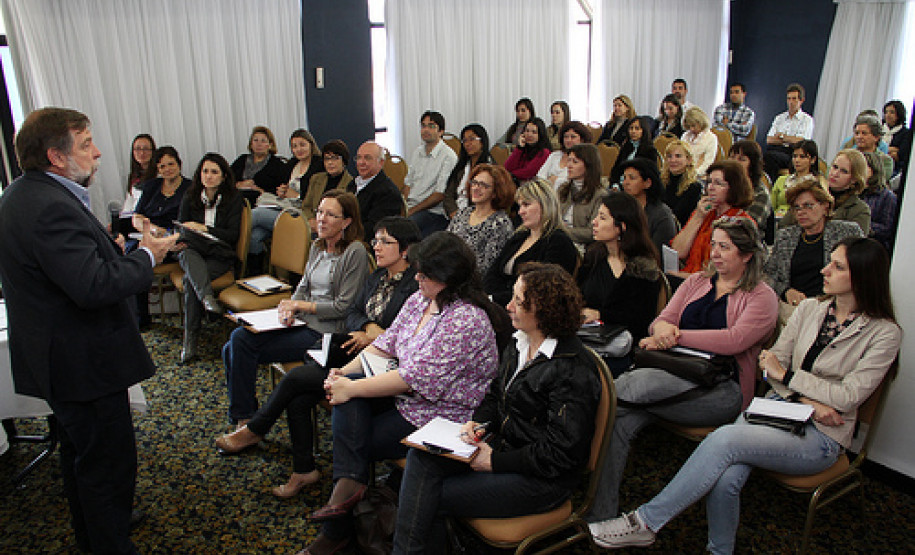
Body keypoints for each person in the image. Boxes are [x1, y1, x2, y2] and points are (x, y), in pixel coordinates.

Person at [588, 238, 900, 554]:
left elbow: (847, 397)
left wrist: (788, 377)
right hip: (781, 409)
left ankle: (645, 523)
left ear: (862, 276)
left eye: (838, 266)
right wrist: (805, 398)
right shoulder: (810, 309)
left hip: (824, 434)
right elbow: (769, 362)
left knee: (724, 441)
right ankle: (721, 549)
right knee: (725, 477)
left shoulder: (884, 333)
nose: (824, 269)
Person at [0, 107, 178, 554]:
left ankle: (95, 534)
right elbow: (94, 286)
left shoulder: (22, 195)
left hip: (59, 358)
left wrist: (109, 250)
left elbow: (67, 271)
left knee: (81, 458)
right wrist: (148, 257)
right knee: (107, 465)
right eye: (86, 144)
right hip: (84, 363)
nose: (98, 153)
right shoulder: (50, 208)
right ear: (56, 156)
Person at [298, 231, 505, 555]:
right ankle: (348, 491)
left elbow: (412, 378)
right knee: (347, 403)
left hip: (444, 417)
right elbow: (383, 346)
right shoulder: (421, 299)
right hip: (409, 401)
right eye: (418, 270)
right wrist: (345, 372)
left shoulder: (466, 318)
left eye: (426, 273)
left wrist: (350, 387)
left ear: (450, 277)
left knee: (353, 427)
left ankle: (339, 521)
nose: (417, 277)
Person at [392, 262, 602, 553]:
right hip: (505, 448)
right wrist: (476, 423)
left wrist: (495, 463)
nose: (509, 306)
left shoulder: (572, 370)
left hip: (542, 479)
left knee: (429, 496)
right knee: (421, 458)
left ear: (542, 310)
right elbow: (494, 394)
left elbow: (560, 454)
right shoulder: (519, 342)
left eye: (518, 300)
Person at [586, 217, 777, 528]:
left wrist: (675, 336)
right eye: (713, 244)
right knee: (619, 415)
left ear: (747, 255)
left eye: (724, 247)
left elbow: (734, 340)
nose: (714, 253)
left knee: (622, 395)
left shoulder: (762, 296)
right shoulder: (696, 282)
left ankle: (591, 401)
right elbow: (660, 320)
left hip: (719, 388)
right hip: (671, 375)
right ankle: (600, 514)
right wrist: (663, 329)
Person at [214, 217, 422, 497]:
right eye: (376, 240)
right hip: (352, 353)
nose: (377, 247)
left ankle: (256, 427)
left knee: (297, 378)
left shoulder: (415, 286)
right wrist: (365, 328)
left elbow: (406, 334)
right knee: (298, 398)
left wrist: (377, 334)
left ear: (406, 250)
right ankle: (303, 470)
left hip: (383, 370)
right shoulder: (377, 277)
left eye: (386, 242)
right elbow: (352, 313)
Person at [221, 190, 372, 425]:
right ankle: (245, 416)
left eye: (330, 215)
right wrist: (288, 307)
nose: (321, 218)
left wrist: (301, 305)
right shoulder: (317, 247)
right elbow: (302, 286)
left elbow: (344, 307)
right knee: (238, 338)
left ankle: (244, 418)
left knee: (235, 347)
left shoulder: (355, 252)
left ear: (347, 221)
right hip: (301, 322)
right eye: (320, 211)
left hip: (324, 332)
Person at [175, 153, 245, 363]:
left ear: (224, 176)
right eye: (205, 171)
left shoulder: (233, 199)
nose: (209, 176)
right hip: (193, 251)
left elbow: (232, 235)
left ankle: (190, 344)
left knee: (190, 281)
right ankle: (207, 299)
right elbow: (180, 226)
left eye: (214, 172)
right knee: (186, 252)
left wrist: (205, 229)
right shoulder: (190, 195)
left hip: (219, 254)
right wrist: (184, 234)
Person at [765, 178, 863, 321]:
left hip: (835, 308)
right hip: (794, 309)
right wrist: (786, 291)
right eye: (797, 207)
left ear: (825, 206)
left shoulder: (847, 232)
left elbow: (863, 270)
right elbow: (768, 275)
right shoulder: (785, 236)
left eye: (808, 206)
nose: (801, 212)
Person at [579, 192, 662, 347]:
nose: (594, 222)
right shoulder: (594, 256)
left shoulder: (643, 267)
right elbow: (576, 294)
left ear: (621, 227)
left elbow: (640, 320)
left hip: (624, 343)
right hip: (587, 336)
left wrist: (600, 314)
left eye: (602, 218)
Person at [485, 179, 578, 305]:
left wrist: (494, 299)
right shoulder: (518, 237)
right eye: (519, 206)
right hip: (502, 305)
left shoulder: (559, 242)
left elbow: (542, 289)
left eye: (526, 204)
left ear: (545, 205)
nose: (520, 211)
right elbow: (493, 273)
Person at [129, 145, 191, 327]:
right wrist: (153, 230)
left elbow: (189, 222)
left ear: (179, 164)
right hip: (151, 236)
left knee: (140, 259)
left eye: (170, 164)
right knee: (132, 255)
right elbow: (136, 217)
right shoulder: (151, 186)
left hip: (175, 241)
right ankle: (139, 316)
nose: (167, 169)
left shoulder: (190, 188)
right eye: (162, 166)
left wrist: (166, 237)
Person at [247, 129, 324, 264]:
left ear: (311, 145)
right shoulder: (292, 164)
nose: (298, 149)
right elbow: (282, 186)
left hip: (300, 214)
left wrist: (298, 195)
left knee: (256, 214)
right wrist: (282, 191)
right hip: (284, 206)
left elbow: (317, 197)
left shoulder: (319, 165)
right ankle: (256, 276)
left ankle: (223, 234)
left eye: (302, 145)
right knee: (255, 236)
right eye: (294, 146)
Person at [670, 160, 753, 276]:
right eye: (709, 182)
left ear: (734, 188)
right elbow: (678, 252)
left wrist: (690, 278)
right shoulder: (704, 212)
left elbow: (729, 271)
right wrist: (698, 217)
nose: (710, 187)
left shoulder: (741, 222)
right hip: (690, 277)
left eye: (718, 183)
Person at [447, 163, 515, 276]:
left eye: (483, 185)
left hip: (474, 282)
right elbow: (445, 244)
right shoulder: (463, 213)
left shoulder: (500, 223)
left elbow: (487, 267)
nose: (476, 188)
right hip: (449, 273)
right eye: (474, 183)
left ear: (495, 192)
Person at [782, 149, 871, 235]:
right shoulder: (809, 194)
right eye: (835, 167)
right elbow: (784, 225)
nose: (835, 173)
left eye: (844, 171)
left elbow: (857, 244)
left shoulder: (859, 209)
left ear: (854, 179)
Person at [405, 111, 459, 236]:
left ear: (441, 131)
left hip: (434, 212)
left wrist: (412, 210)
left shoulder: (448, 156)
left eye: (431, 126)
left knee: (407, 229)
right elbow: (408, 184)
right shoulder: (417, 152)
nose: (426, 130)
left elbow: (439, 195)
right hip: (412, 208)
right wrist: (405, 206)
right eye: (423, 126)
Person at [347, 141, 404, 242]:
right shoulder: (353, 184)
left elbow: (374, 229)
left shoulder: (387, 192)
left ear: (381, 162)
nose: (361, 162)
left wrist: (343, 232)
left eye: (367, 158)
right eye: (359, 157)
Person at [618, 158, 677, 256]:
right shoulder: (622, 207)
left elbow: (657, 253)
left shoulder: (661, 214)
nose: (625, 183)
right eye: (624, 178)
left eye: (632, 178)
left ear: (647, 183)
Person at [558, 143, 609, 247]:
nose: (569, 165)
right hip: (558, 239)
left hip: (580, 245)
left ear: (589, 165)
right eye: (569, 160)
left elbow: (592, 232)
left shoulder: (600, 195)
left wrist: (563, 232)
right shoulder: (563, 189)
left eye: (575, 162)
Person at [764, 83, 814, 182]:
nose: (791, 102)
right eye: (789, 99)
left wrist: (782, 136)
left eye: (794, 99)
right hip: (775, 149)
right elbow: (769, 140)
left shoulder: (807, 120)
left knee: (770, 158)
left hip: (793, 154)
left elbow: (801, 142)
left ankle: (772, 185)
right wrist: (790, 139)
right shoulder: (779, 118)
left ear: (801, 100)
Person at [300, 140, 354, 230]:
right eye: (327, 159)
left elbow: (345, 215)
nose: (330, 163)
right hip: (312, 226)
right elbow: (306, 206)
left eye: (335, 158)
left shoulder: (351, 183)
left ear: (343, 161)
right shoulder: (316, 179)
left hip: (334, 228)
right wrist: (311, 219)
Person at [443, 124, 493, 218]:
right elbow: (448, 194)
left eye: (472, 139)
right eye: (465, 140)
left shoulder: (490, 168)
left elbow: (487, 200)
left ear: (482, 142)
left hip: (477, 215)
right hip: (455, 215)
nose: (467, 144)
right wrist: (454, 213)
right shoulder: (461, 167)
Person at [231, 125, 288, 205]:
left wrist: (261, 191)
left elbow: (282, 189)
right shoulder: (241, 159)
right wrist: (239, 184)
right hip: (238, 198)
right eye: (255, 140)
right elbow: (227, 178)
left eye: (263, 141)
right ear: (251, 144)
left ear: (270, 145)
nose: (259, 144)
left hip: (262, 202)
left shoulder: (277, 164)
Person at [770, 140, 823, 219]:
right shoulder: (781, 180)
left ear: (812, 160)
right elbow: (771, 206)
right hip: (776, 219)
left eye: (802, 157)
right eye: (795, 156)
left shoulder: (816, 182)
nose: (797, 160)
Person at [727, 140, 772, 232]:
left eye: (741, 159)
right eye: (732, 157)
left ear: (752, 165)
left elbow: (747, 228)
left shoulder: (760, 194)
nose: (735, 163)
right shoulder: (721, 186)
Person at [537, 120, 591, 190]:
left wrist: (556, 180)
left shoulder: (585, 158)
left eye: (573, 137)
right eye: (566, 137)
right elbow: (540, 177)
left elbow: (578, 183)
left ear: (582, 139)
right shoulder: (555, 155)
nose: (568, 140)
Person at [860, 151, 897, 251]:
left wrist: (862, 222)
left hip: (873, 248)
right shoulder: (853, 192)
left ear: (874, 169)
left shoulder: (887, 197)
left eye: (863, 166)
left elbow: (887, 228)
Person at [660, 139, 702, 227]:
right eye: (669, 156)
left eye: (678, 156)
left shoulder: (694, 187)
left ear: (689, 160)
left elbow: (679, 216)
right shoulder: (661, 181)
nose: (672, 160)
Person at [610, 116, 661, 185]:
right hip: (620, 184)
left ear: (643, 131)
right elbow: (616, 169)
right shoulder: (626, 147)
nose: (633, 131)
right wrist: (615, 184)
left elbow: (650, 175)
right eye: (631, 128)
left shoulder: (649, 150)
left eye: (637, 129)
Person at [504, 117, 551, 182]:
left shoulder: (544, 152)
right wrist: (519, 148)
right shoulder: (523, 149)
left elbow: (529, 172)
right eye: (527, 131)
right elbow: (508, 167)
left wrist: (510, 175)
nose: (529, 135)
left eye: (534, 132)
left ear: (540, 135)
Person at [852, 114, 894, 179]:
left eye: (864, 133)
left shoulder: (885, 160)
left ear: (876, 137)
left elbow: (879, 181)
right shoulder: (847, 155)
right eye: (857, 133)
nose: (859, 137)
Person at [124, 133, 156, 213]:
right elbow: (129, 202)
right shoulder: (133, 176)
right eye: (138, 149)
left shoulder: (158, 175)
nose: (142, 153)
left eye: (146, 149)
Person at [681, 107, 718, 176]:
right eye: (689, 126)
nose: (691, 129)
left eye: (693, 126)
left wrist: (694, 173)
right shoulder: (685, 136)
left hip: (699, 175)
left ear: (701, 122)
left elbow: (708, 163)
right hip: (683, 172)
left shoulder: (711, 138)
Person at [884, 99, 912, 177]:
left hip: (894, 169)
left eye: (892, 112)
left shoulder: (905, 133)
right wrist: (891, 149)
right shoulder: (879, 129)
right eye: (886, 112)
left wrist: (883, 149)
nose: (888, 115)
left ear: (899, 114)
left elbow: (899, 156)